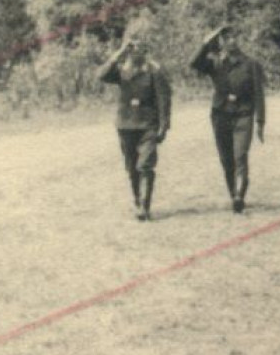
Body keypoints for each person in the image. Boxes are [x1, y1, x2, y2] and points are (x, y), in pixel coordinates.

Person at [189, 25, 267, 213]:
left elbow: (259, 94)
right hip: (220, 114)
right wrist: (206, 43)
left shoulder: (251, 64)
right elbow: (194, 63)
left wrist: (260, 122)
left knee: (240, 155)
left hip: (243, 114)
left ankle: (240, 195)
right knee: (226, 159)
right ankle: (234, 195)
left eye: (234, 36)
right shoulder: (216, 62)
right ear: (221, 41)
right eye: (226, 38)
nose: (231, 40)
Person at [97, 36, 172, 221]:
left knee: (145, 166)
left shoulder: (154, 71)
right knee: (132, 168)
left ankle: (145, 206)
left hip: (148, 125)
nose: (136, 50)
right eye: (132, 47)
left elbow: (164, 99)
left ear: (146, 51)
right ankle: (138, 200)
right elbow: (101, 75)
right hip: (126, 125)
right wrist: (118, 54)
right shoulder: (122, 71)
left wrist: (164, 125)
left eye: (140, 47)